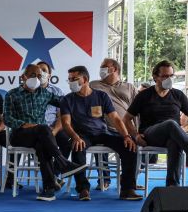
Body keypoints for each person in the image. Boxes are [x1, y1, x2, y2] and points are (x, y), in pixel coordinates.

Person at [3, 64, 86, 201]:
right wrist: (24, 124)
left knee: (43, 146)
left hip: (40, 136)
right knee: (44, 129)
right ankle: (62, 162)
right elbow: (7, 118)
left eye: (39, 76)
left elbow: (64, 103)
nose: (36, 78)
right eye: (33, 75)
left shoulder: (44, 93)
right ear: (23, 77)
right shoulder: (12, 94)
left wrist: (82, 95)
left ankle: (49, 190)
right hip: (19, 134)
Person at [61, 66, 142, 201]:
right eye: (69, 79)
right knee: (77, 146)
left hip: (102, 133)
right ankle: (83, 189)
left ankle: (127, 189)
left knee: (129, 147)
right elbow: (66, 123)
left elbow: (115, 118)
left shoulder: (101, 96)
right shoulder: (67, 99)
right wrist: (75, 137)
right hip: (82, 135)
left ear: (85, 79)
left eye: (74, 79)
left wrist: (126, 136)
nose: (71, 82)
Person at [123, 60, 188, 187]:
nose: (169, 79)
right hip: (150, 134)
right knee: (170, 124)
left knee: (175, 143)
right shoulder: (144, 95)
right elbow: (126, 119)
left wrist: (184, 129)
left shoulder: (178, 95)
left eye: (171, 76)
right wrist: (135, 135)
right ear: (155, 77)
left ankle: (172, 187)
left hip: (172, 135)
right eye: (165, 76)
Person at [90, 57, 140, 190]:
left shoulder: (129, 87)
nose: (101, 69)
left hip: (126, 128)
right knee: (100, 138)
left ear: (115, 69)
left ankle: (128, 179)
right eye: (101, 67)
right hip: (104, 127)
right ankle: (104, 179)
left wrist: (137, 130)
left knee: (136, 146)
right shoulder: (94, 85)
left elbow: (137, 109)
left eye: (104, 66)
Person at [37, 60, 70, 159]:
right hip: (35, 129)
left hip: (53, 128)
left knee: (67, 142)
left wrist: (54, 131)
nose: (41, 72)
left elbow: (61, 115)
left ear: (49, 76)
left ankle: (58, 167)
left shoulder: (57, 92)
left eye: (44, 70)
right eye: (39, 70)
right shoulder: (28, 91)